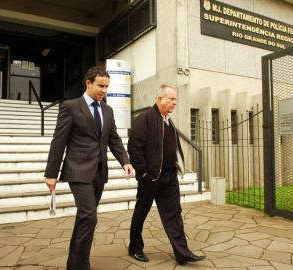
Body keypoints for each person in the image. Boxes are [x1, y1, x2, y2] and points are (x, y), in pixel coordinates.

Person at [44, 66, 134, 270]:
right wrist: (51, 173)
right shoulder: (70, 106)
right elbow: (59, 141)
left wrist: (125, 161)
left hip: (99, 173)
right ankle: (81, 265)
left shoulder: (108, 110)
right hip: (77, 170)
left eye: (107, 87)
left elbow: (114, 139)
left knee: (84, 218)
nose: (104, 90)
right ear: (88, 83)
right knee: (89, 216)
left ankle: (73, 263)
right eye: (101, 86)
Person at [127, 84, 206, 265]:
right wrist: (145, 172)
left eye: (175, 99)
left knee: (174, 213)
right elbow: (134, 147)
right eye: (171, 98)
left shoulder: (168, 120)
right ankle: (135, 247)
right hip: (152, 177)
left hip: (169, 176)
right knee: (141, 212)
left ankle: (183, 253)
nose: (175, 102)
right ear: (160, 98)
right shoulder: (145, 118)